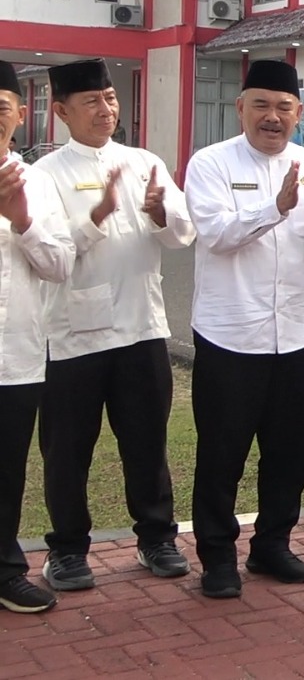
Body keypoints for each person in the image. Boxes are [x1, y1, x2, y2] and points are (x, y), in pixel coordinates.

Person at [185, 60, 304, 598]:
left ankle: (273, 545)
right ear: (241, 108)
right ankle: (217, 557)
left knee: (290, 452)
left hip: (300, 334)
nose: (272, 117)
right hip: (231, 336)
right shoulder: (210, 164)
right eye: (261, 105)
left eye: (283, 107)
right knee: (222, 455)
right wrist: (274, 207)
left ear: (299, 112)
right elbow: (215, 235)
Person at [32, 59, 194, 593]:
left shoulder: (145, 161)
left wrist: (161, 214)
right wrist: (96, 215)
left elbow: (183, 234)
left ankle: (157, 538)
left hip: (142, 329)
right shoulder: (45, 174)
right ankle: (67, 550)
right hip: (72, 336)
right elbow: (50, 253)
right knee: (68, 451)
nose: (105, 110)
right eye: (91, 102)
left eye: (110, 98)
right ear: (62, 112)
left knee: (147, 443)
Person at [0, 60, 74, 614]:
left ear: (22, 114)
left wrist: (22, 221)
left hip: (15, 355)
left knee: (7, 471)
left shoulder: (38, 183)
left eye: (1, 108)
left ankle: (6, 570)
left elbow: (60, 265)